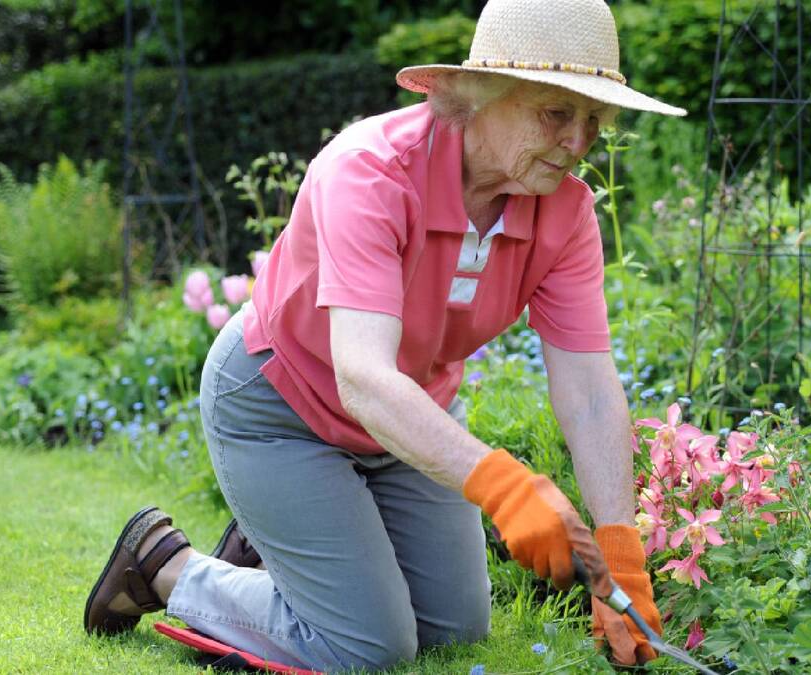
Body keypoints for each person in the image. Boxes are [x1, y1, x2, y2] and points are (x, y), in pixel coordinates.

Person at [83, 0, 686, 670]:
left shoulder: (566, 213)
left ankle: (285, 559)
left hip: (409, 420)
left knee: (454, 630)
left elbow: (590, 391)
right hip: (282, 405)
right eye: (556, 113)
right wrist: (505, 487)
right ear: (480, 93)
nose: (579, 141)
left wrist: (620, 549)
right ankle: (165, 566)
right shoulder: (369, 172)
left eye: (594, 119)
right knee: (370, 646)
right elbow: (364, 378)